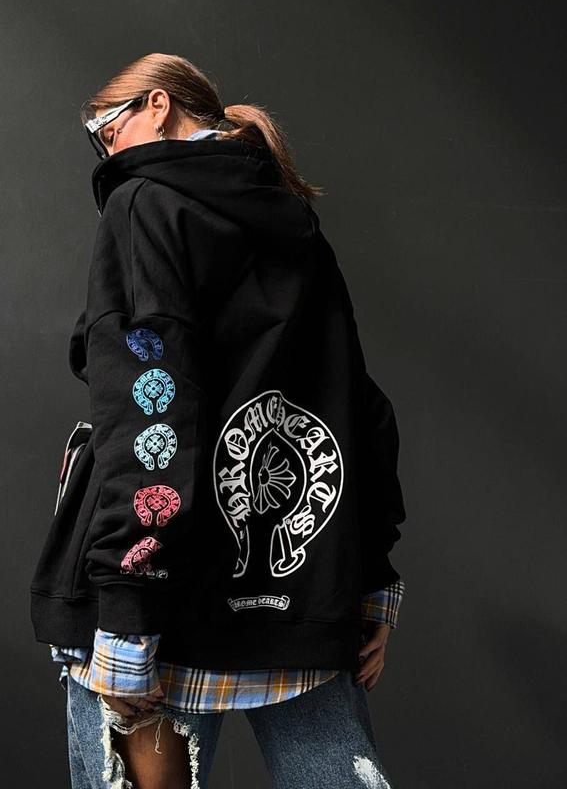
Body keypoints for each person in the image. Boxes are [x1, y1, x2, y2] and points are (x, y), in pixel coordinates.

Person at [30, 53, 407, 789]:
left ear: (157, 105)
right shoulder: (294, 223)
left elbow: (150, 416)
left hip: (160, 606)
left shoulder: (141, 204)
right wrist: (370, 582)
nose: (105, 152)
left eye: (105, 130)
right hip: (299, 597)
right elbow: (358, 408)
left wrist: (127, 610)